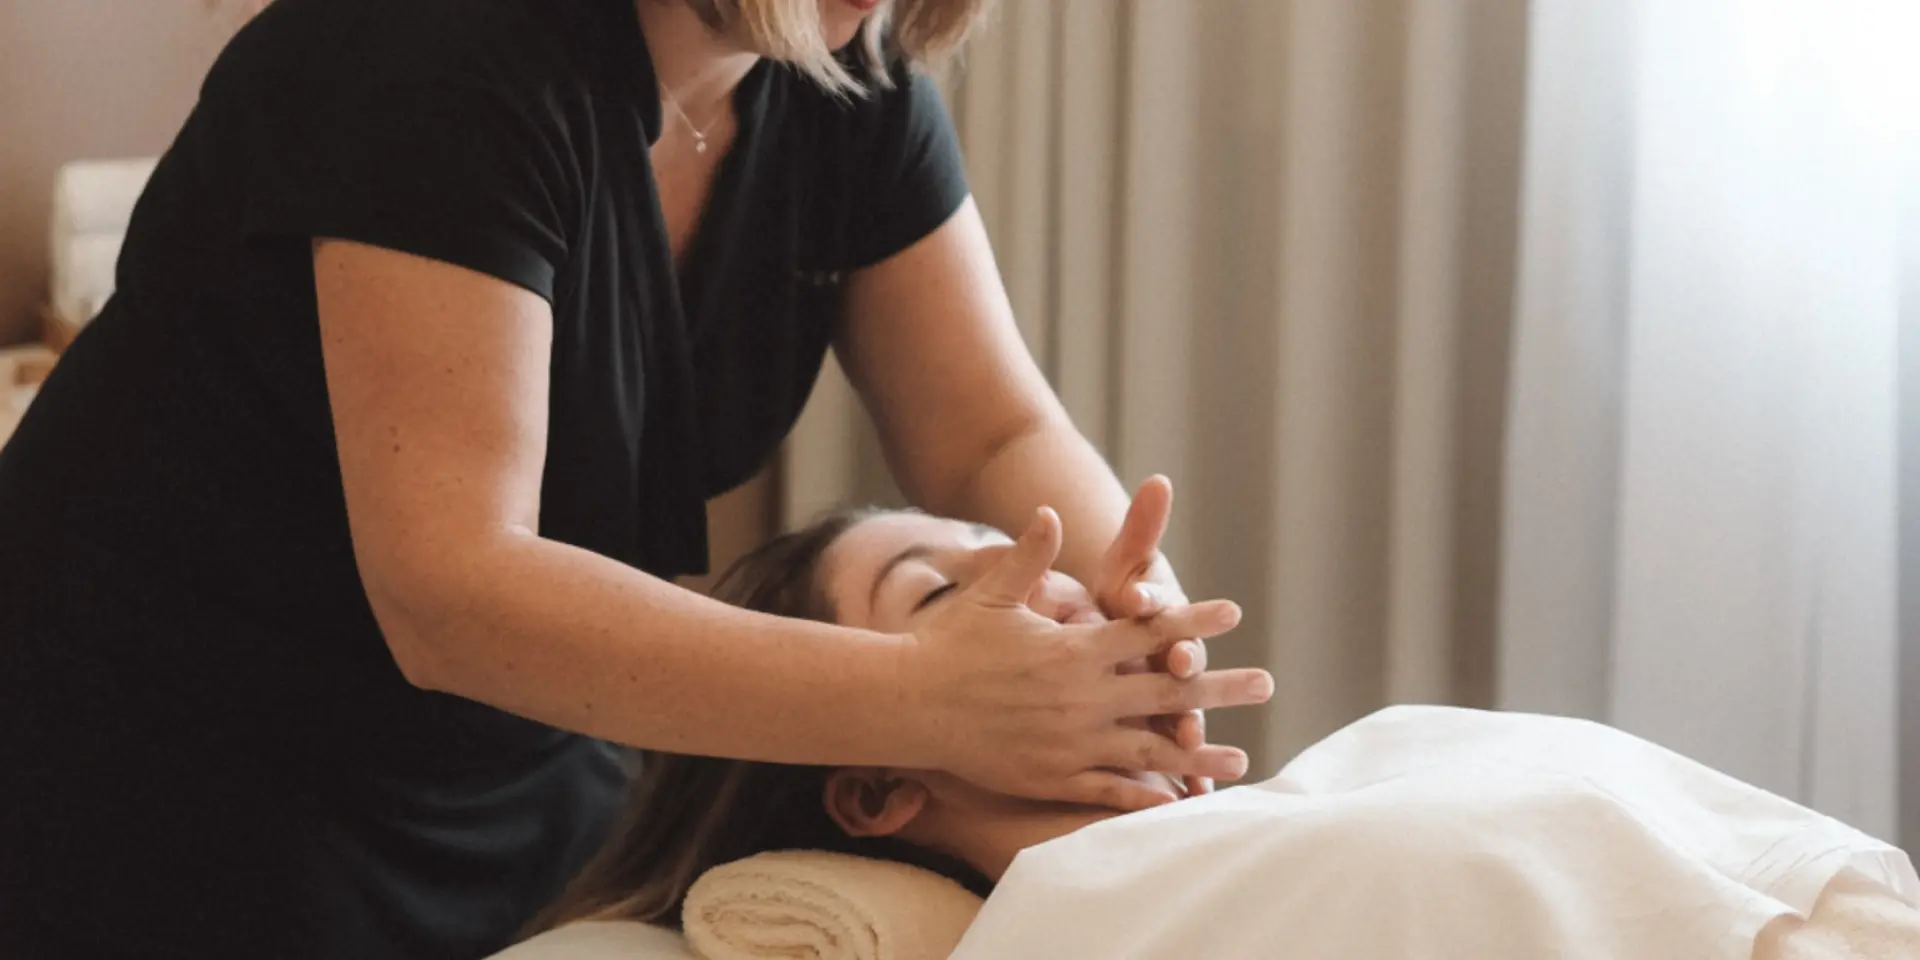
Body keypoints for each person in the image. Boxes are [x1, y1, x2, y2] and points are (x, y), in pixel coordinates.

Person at [0, 1, 1274, 957]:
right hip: (160, 757)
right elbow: (451, 588)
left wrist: (1132, 620)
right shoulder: (435, 48)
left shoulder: (846, 81)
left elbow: (991, 434)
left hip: (510, 764)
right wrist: (929, 702)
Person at [524, 506, 1920, 959]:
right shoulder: (1071, 928)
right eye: (945, 593)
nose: (1050, 576)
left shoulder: (1377, 757)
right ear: (873, 787)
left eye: (1035, 553)